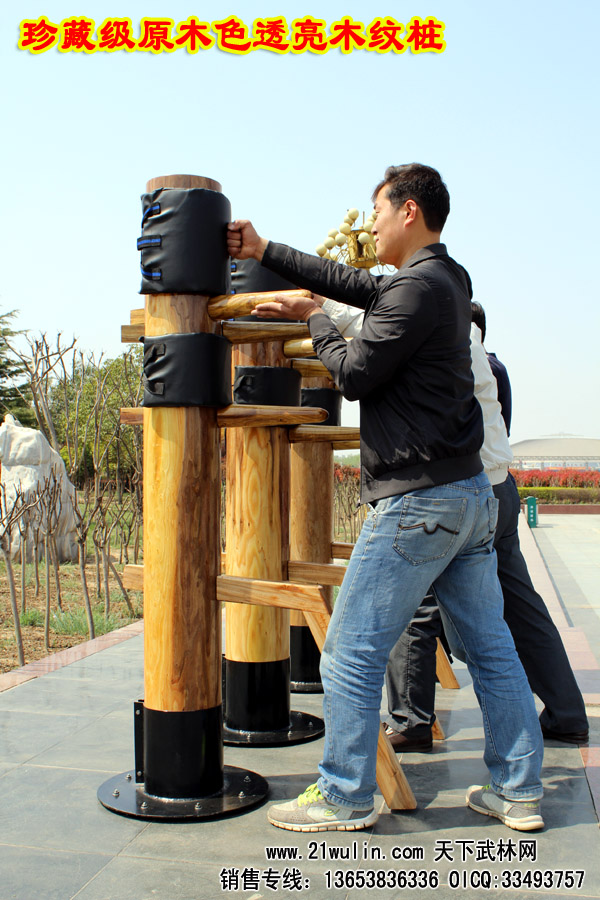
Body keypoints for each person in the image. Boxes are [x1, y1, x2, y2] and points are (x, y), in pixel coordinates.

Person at [227, 163, 544, 833]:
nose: (370, 224)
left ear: (408, 211)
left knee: (349, 650)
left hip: (419, 502)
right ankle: (518, 791)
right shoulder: (447, 281)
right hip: (471, 498)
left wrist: (316, 320)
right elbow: (353, 283)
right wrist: (264, 250)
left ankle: (344, 794)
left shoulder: (415, 289)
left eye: (376, 211)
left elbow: (353, 373)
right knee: (492, 651)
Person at [322, 298, 589, 749]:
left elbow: (373, 327)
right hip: (498, 490)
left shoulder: (441, 341)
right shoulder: (487, 360)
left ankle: (410, 721)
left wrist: (316, 306)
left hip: (457, 492)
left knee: (419, 607)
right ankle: (565, 714)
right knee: (519, 611)